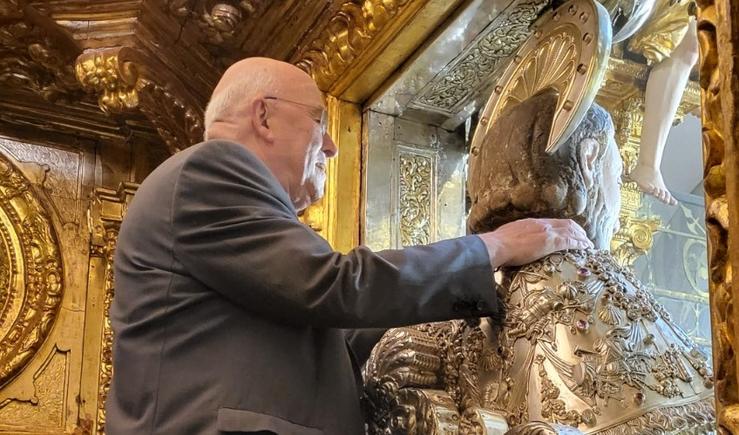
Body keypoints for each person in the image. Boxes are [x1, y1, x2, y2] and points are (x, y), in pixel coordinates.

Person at [106, 57, 592, 435]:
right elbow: (336, 286)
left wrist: (475, 297)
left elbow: (338, 326)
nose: (332, 145)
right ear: (264, 116)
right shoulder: (209, 171)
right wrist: (493, 248)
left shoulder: (234, 205)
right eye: (319, 120)